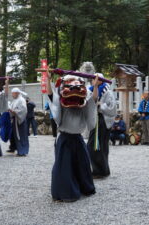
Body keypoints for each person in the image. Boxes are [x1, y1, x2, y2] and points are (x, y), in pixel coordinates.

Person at [46, 70, 99, 202]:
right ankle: (65, 192)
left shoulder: (83, 101)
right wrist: (48, 80)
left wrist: (96, 86)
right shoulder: (60, 100)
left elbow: (93, 100)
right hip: (65, 138)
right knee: (64, 166)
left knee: (83, 164)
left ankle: (84, 187)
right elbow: (51, 95)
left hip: (78, 138)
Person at [87, 73, 117, 179]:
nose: (92, 80)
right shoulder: (90, 90)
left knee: (100, 146)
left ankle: (100, 171)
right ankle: (99, 170)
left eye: (95, 79)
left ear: (100, 80)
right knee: (92, 146)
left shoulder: (107, 91)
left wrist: (101, 105)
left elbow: (113, 109)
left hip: (102, 121)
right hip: (94, 120)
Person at [9, 88, 29, 157]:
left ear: (17, 93)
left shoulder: (21, 100)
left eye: (13, 93)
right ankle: (20, 150)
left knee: (21, 135)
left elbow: (23, 110)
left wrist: (14, 112)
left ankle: (22, 151)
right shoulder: (16, 100)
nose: (12, 95)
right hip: (16, 120)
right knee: (17, 136)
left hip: (20, 120)